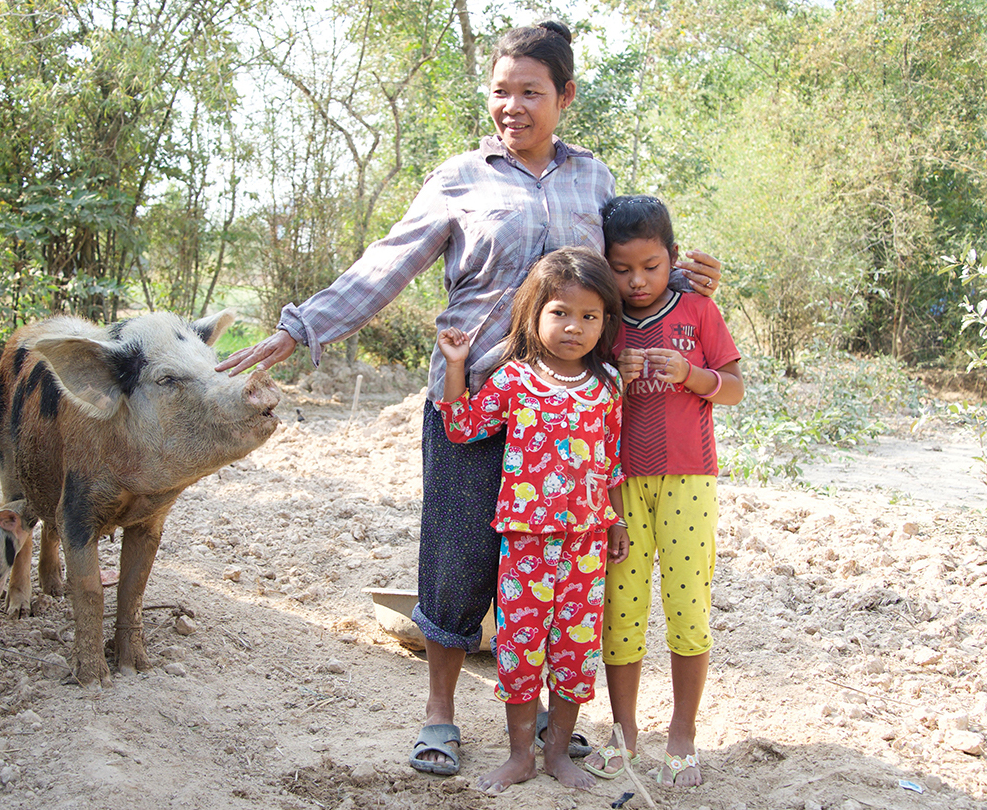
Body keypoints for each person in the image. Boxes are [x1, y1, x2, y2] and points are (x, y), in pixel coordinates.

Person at [216, 21, 722, 776]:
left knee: (564, 569)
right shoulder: (460, 177)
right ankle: (441, 716)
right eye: (500, 91)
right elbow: (386, 264)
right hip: (475, 396)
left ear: (566, 97)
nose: (512, 106)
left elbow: (619, 271)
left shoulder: (596, 179)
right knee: (458, 563)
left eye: (531, 92)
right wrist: (298, 330)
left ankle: (554, 725)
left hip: (569, 412)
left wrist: (678, 283)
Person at [435, 246, 628, 793]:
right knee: (520, 648)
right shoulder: (515, 379)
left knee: (575, 649)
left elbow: (609, 459)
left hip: (586, 544)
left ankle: (558, 755)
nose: (574, 327)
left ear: (604, 323)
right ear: (536, 314)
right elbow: (462, 427)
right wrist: (455, 367)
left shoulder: (608, 385)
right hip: (523, 544)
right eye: (561, 313)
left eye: (589, 317)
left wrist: (613, 519)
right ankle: (520, 755)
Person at [580, 195, 743, 787]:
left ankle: (682, 732)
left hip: (688, 481)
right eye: (621, 269)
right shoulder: (602, 320)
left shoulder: (698, 309)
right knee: (621, 606)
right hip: (619, 487)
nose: (636, 280)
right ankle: (623, 734)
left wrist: (691, 375)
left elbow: (733, 388)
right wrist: (609, 376)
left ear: (672, 259)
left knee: (687, 604)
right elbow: (583, 394)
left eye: (650, 266)